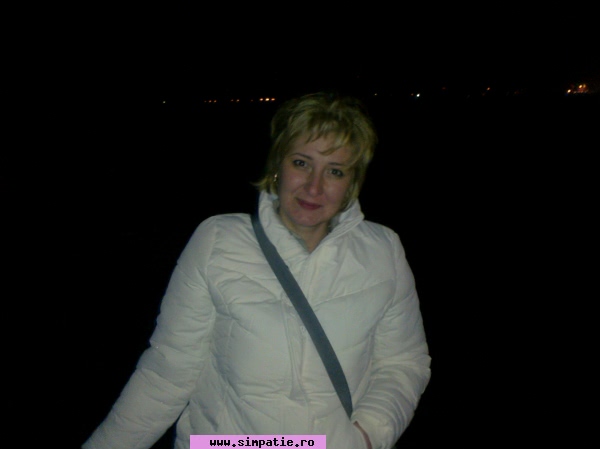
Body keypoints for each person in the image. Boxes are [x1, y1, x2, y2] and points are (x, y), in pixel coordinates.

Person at [82, 91, 431, 449]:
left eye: (335, 171)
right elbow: (167, 373)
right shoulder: (218, 241)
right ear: (278, 164)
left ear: (351, 184)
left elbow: (403, 362)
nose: (314, 186)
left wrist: (368, 435)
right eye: (301, 163)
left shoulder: (382, 250)